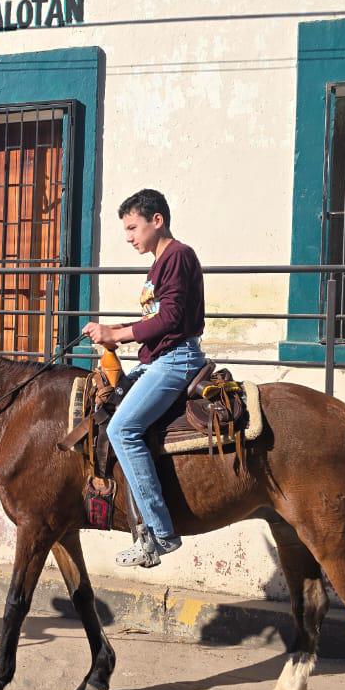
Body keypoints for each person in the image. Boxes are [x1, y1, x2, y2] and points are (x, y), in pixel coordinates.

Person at [82, 189, 206, 568]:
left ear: (157, 221)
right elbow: (155, 320)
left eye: (133, 227)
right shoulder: (158, 263)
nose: (129, 236)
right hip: (157, 360)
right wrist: (114, 329)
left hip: (175, 361)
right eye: (126, 230)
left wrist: (115, 335)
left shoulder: (178, 257)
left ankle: (161, 533)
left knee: (122, 430)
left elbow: (169, 320)